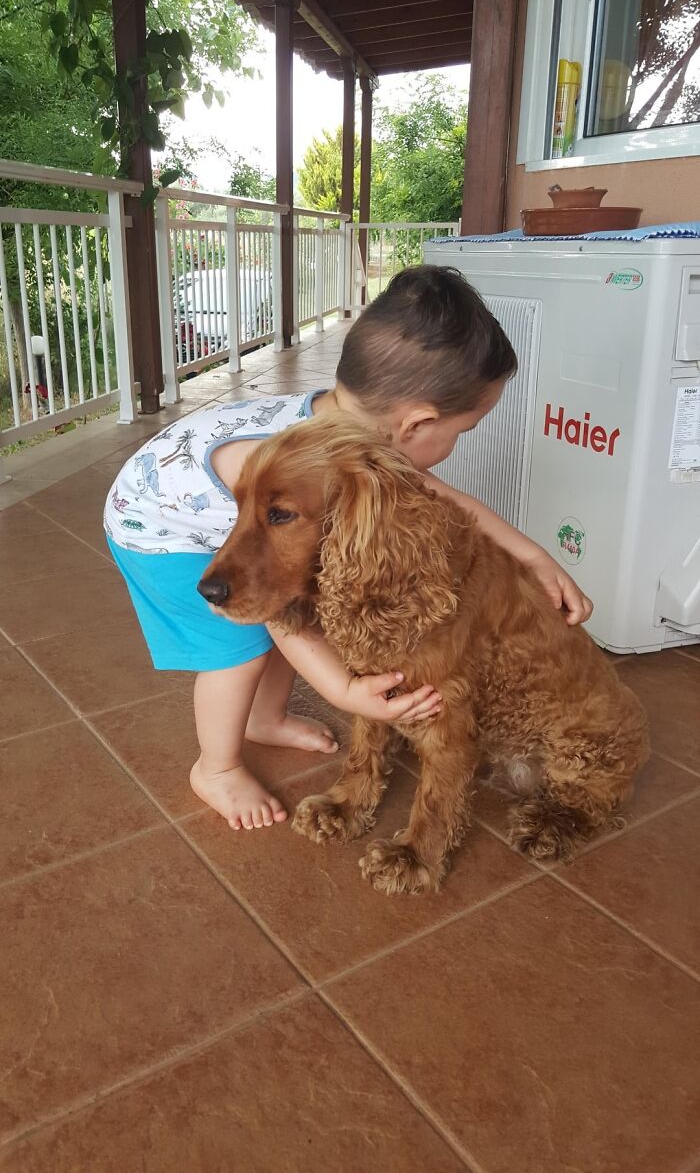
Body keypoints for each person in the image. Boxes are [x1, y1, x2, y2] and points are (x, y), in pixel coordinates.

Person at [104, 265, 592, 831]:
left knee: (289, 609)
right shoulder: (293, 459)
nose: (455, 448)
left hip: (221, 516)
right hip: (159, 529)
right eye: (462, 432)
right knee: (239, 644)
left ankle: (265, 718)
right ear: (416, 423)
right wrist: (344, 690)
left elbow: (447, 499)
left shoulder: (360, 437)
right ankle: (216, 767)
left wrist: (533, 556)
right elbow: (286, 620)